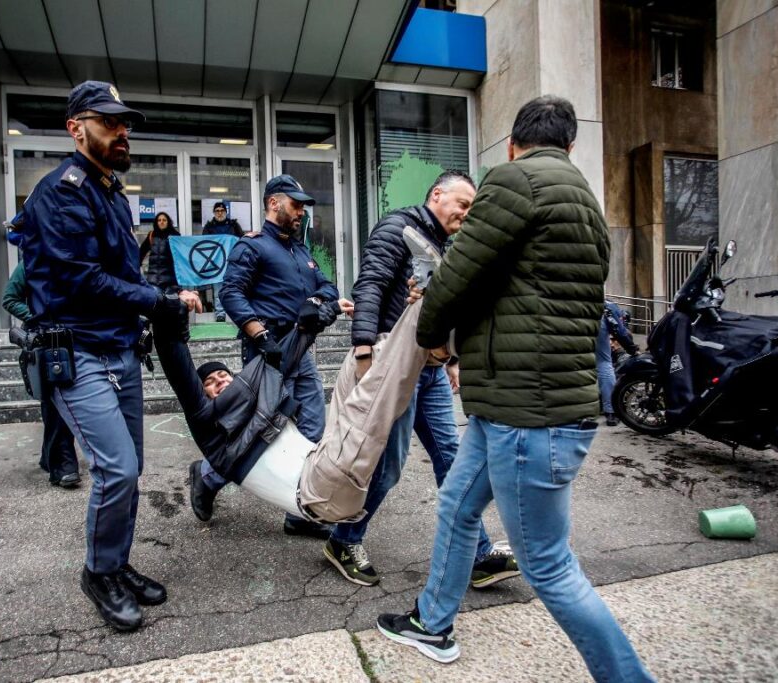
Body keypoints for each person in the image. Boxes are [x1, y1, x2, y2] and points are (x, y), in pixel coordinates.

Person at [378, 96, 655, 681]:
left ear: (511, 144)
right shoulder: (583, 200)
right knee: (456, 506)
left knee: (548, 565)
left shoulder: (513, 180)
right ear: (570, 145)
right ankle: (433, 623)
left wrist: (432, 335)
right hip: (515, 406)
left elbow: (458, 276)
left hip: (530, 413)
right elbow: (522, 295)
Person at [18, 80, 198, 632]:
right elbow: (79, 279)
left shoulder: (109, 192)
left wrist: (150, 304)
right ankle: (98, 573)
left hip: (119, 348)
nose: (122, 131)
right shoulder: (61, 191)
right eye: (109, 122)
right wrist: (157, 302)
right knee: (116, 468)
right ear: (77, 129)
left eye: (125, 123)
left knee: (131, 469)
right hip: (78, 352)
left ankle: (116, 564)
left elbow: (122, 274)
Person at [325, 171, 517, 590]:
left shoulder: (446, 245)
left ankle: (479, 553)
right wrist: (362, 351)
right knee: (387, 465)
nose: (466, 214)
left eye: (472, 209)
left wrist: (450, 360)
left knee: (452, 457)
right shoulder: (399, 228)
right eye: (462, 205)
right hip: (395, 367)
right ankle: (343, 539)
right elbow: (371, 285)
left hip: (428, 371)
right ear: (436, 195)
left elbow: (439, 304)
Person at [211, 174, 339, 538]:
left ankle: (300, 513)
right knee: (259, 434)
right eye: (295, 204)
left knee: (312, 429)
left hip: (301, 349)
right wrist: (259, 335)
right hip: (267, 352)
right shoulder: (251, 246)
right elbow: (231, 293)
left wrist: (316, 303)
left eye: (302, 206)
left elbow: (328, 288)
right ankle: (207, 478)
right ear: (273, 203)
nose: (301, 212)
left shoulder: (299, 250)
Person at [2, 261, 81, 488]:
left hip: (71, 340)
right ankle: (63, 466)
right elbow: (10, 299)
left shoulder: (71, 260)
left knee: (61, 402)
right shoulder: (29, 264)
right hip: (45, 341)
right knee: (55, 404)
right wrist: (38, 318)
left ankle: (50, 457)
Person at [598, 300, 639, 426]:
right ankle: (611, 411)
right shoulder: (610, 306)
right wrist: (632, 349)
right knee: (604, 363)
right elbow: (620, 331)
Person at [202, 201, 243, 322]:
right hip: (216, 264)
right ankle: (220, 313)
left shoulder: (234, 225)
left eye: (222, 210)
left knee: (234, 288)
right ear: (214, 213)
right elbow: (204, 243)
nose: (219, 213)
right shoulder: (209, 227)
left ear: (226, 212)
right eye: (217, 211)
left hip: (232, 262)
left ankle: (235, 312)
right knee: (218, 290)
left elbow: (242, 240)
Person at [139, 211, 184, 294]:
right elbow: (141, 252)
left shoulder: (175, 236)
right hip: (153, 280)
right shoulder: (151, 235)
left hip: (170, 282)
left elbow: (182, 256)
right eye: (159, 220)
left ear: (168, 222)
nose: (161, 222)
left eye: (164, 220)